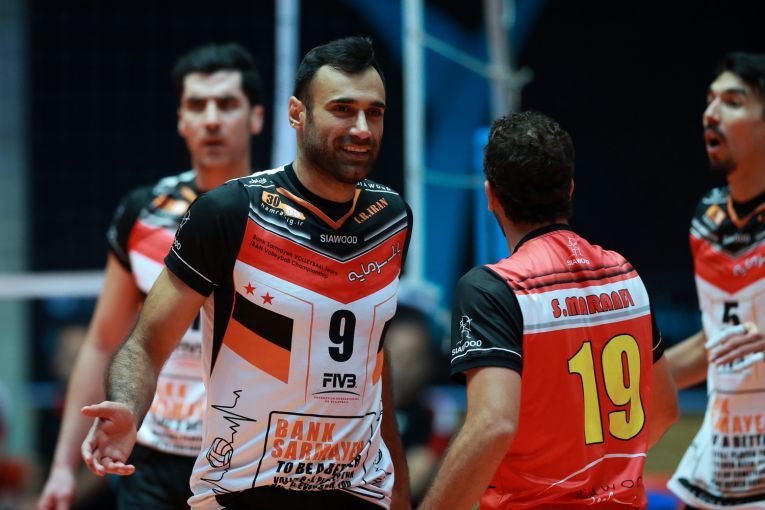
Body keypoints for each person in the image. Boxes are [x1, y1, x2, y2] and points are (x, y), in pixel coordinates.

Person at [79, 36, 412, 510]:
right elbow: (145, 343)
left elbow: (373, 357)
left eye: (373, 113)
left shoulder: (392, 218)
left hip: (357, 491)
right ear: (297, 114)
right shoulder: (229, 212)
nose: (361, 128)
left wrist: (399, 485)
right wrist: (128, 406)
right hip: (243, 491)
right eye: (342, 110)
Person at [37, 42, 265, 510]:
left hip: (247, 459)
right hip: (151, 459)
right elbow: (103, 341)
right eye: (197, 105)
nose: (212, 119)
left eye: (227, 104)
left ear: (256, 117)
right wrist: (62, 466)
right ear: (181, 120)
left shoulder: (279, 219)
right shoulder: (144, 212)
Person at [419, 111, 679, 510]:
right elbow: (664, 411)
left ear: (490, 195)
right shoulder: (624, 274)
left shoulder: (493, 288)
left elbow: (492, 425)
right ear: (570, 188)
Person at [666, 52, 765, 509]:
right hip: (724, 459)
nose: (710, 112)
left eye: (733, 102)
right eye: (710, 100)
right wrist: (623, 380)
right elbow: (718, 341)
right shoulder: (707, 221)